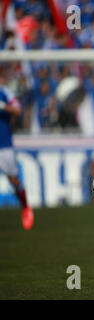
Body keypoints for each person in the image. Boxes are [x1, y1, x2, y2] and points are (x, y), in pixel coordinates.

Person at [0, 82, 34, 230]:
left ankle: (25, 207)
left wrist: (2, 106)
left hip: (3, 143)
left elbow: (18, 111)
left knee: (13, 179)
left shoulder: (4, 92)